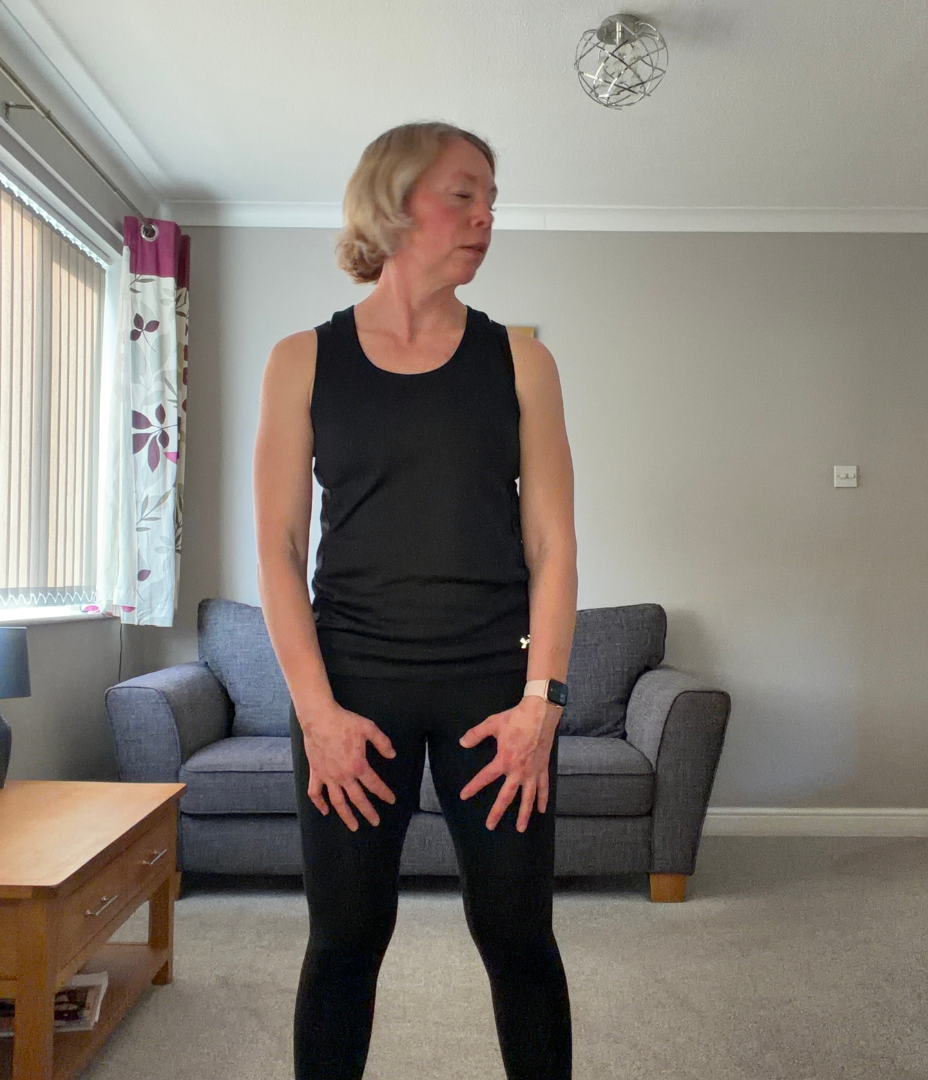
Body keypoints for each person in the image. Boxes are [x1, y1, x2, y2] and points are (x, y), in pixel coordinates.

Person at [253, 121, 578, 1080]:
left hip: (494, 691)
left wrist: (541, 705)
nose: (486, 217)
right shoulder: (300, 360)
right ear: (394, 202)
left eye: (492, 200)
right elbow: (276, 549)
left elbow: (554, 546)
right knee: (345, 942)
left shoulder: (522, 363)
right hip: (350, 691)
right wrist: (317, 715)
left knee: (520, 939)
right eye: (463, 194)